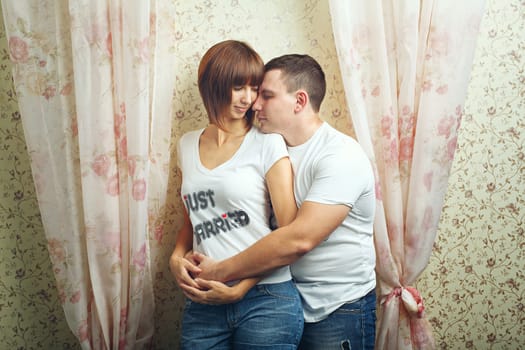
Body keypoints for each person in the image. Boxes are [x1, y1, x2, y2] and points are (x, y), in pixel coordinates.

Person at [186, 54, 377, 350]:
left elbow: (297, 240)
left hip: (337, 307)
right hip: (282, 298)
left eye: (266, 95)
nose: (254, 103)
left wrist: (220, 273)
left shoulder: (340, 156)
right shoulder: (271, 146)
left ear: (299, 101)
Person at [169, 40, 304, 350]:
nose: (249, 99)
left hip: (266, 299)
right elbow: (193, 220)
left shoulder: (267, 142)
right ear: (214, 86)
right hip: (203, 301)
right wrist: (176, 259)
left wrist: (241, 288)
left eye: (253, 87)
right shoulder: (186, 145)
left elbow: (288, 231)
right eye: (238, 87)